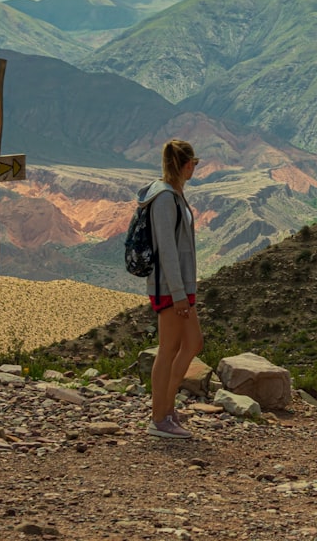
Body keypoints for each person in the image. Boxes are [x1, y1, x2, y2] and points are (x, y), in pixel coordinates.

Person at [135, 139, 203, 439]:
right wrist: (178, 294)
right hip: (169, 287)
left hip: (180, 286)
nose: (194, 168)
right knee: (169, 350)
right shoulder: (164, 198)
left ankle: (167, 407)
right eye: (193, 163)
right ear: (184, 163)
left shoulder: (175, 195)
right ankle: (159, 417)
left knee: (192, 344)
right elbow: (167, 251)